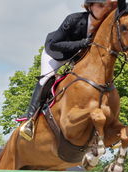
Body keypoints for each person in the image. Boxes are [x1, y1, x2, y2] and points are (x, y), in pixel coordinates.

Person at [18, 0, 118, 141]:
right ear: (90, 6)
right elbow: (55, 44)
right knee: (46, 79)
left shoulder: (104, 26)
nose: (104, 9)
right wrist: (81, 43)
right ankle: (29, 120)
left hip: (76, 58)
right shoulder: (74, 19)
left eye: (106, 6)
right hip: (55, 54)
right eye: (100, 6)